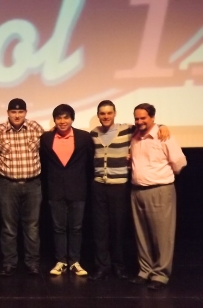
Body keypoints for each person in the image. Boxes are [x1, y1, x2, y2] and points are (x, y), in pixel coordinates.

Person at [88, 100, 170, 281]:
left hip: (119, 186)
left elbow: (148, 126)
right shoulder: (93, 133)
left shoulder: (127, 129)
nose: (106, 116)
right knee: (100, 229)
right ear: (99, 115)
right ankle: (102, 267)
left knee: (118, 229)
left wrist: (163, 126)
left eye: (109, 113)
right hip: (98, 186)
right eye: (102, 113)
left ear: (115, 113)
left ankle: (119, 266)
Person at [128, 103, 186, 290]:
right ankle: (145, 271)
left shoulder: (164, 136)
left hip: (160, 190)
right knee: (142, 235)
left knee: (162, 235)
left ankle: (160, 274)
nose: (139, 121)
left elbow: (179, 162)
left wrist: (163, 178)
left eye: (143, 118)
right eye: (137, 118)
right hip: (137, 191)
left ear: (152, 117)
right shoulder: (135, 137)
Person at [0, 98, 44, 276]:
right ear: (8, 113)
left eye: (20, 112)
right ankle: (9, 263)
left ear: (25, 113)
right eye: (13, 112)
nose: (17, 115)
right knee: (9, 227)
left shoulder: (36, 128)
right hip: (7, 185)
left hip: (32, 184)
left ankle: (32, 263)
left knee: (32, 227)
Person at [39, 104, 94, 277]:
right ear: (54, 120)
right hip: (55, 189)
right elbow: (43, 163)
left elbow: (90, 163)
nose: (62, 121)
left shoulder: (84, 137)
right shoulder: (46, 138)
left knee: (76, 228)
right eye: (59, 118)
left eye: (66, 117)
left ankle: (75, 261)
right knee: (58, 228)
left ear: (72, 119)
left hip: (78, 189)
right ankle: (61, 260)